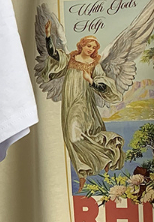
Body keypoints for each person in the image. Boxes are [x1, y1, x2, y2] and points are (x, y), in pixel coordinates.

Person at [42, 20, 124, 191]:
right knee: (70, 138)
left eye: (94, 47)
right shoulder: (70, 59)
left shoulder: (94, 65)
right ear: (82, 45)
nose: (91, 49)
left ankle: (105, 155)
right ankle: (83, 173)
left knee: (75, 137)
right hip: (69, 102)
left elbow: (103, 86)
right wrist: (48, 35)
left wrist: (91, 81)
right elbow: (54, 54)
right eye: (88, 46)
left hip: (83, 104)